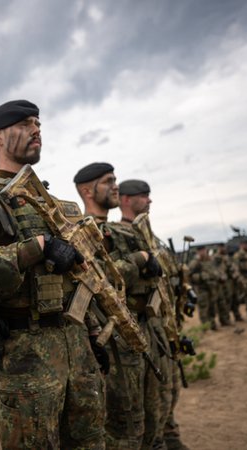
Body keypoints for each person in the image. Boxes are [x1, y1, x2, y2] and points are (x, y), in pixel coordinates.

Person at [0, 100, 107, 449]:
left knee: (90, 440)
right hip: (27, 355)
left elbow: (83, 277)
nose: (36, 130)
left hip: (77, 345)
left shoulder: (57, 206)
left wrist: (95, 333)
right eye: (23, 124)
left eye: (37, 123)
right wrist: (34, 247)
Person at [74, 164, 164, 449]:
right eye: (108, 181)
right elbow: (98, 276)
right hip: (108, 339)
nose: (116, 186)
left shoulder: (117, 231)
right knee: (120, 423)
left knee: (143, 414)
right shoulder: (82, 231)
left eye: (115, 180)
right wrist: (139, 259)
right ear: (87, 191)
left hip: (132, 330)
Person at [117, 179, 190, 450]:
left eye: (148, 196)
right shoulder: (120, 234)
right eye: (143, 196)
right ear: (126, 199)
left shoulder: (152, 238)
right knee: (146, 399)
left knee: (169, 390)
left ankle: (169, 437)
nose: (149, 201)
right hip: (139, 325)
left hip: (162, 323)